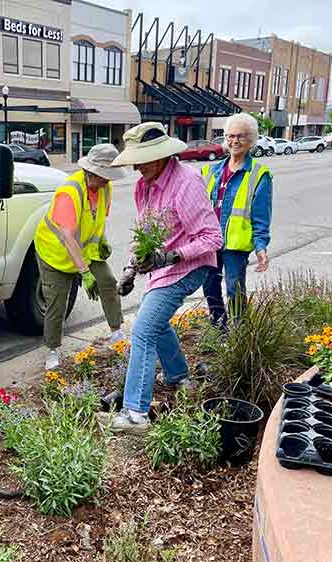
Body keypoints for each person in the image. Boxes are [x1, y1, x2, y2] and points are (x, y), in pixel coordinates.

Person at [105, 122, 223, 433]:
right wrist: (131, 268)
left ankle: (136, 414)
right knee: (156, 323)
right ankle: (179, 377)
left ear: (160, 156)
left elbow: (213, 238)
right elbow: (144, 234)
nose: (135, 167)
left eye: (141, 159)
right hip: (162, 268)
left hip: (190, 265)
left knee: (143, 329)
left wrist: (170, 257)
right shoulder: (143, 184)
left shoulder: (186, 183)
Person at [34, 143, 127, 370]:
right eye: (105, 176)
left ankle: (117, 333)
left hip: (85, 250)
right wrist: (84, 273)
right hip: (54, 253)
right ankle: (52, 350)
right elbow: (68, 238)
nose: (109, 180)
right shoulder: (69, 193)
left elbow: (98, 218)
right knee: (58, 300)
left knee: (107, 282)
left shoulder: (105, 187)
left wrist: (102, 240)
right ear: (91, 172)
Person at [201, 112, 273, 326]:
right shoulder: (210, 170)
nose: (234, 141)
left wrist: (261, 247)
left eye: (241, 136)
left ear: (251, 139)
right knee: (209, 285)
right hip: (210, 242)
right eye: (230, 136)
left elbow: (261, 217)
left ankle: (241, 332)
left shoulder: (259, 174)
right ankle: (219, 327)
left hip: (235, 245)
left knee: (235, 289)